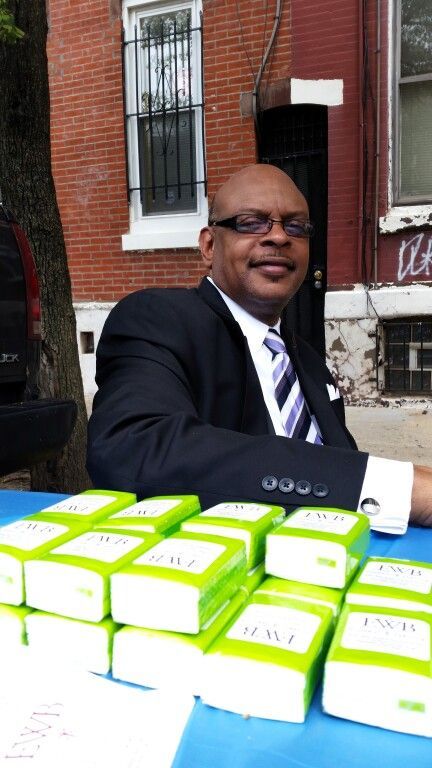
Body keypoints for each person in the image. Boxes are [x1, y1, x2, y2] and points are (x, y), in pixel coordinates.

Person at [87, 164, 432, 533]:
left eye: (296, 226)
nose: (279, 237)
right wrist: (398, 486)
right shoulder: (158, 321)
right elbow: (132, 450)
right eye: (252, 222)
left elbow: (338, 467)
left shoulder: (311, 365)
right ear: (208, 245)